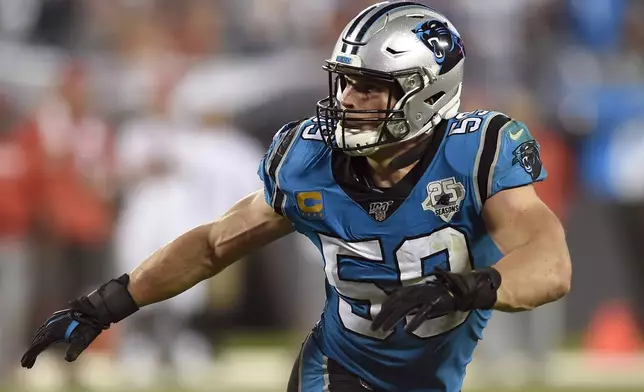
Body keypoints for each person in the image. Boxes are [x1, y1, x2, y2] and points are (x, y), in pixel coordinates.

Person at [20, 2, 572, 391]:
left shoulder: (476, 153)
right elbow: (215, 244)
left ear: (427, 93)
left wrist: (466, 287)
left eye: (369, 86)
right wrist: (106, 304)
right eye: (344, 81)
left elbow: (550, 264)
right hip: (339, 373)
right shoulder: (308, 162)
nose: (347, 98)